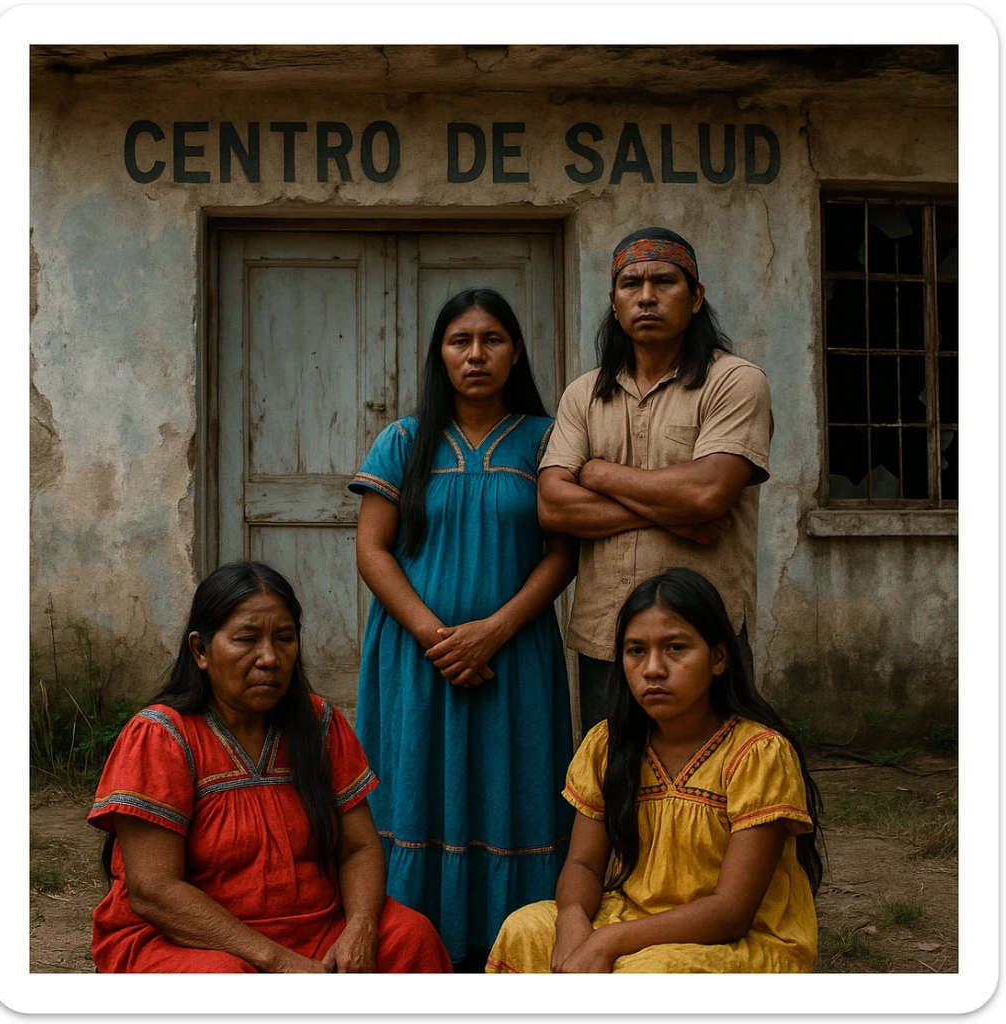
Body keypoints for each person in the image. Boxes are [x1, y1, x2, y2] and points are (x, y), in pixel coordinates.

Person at [349, 288, 577, 969]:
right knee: (415, 781)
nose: (476, 354)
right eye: (459, 340)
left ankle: (509, 948)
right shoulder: (403, 441)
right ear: (439, 354)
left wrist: (494, 631)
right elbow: (372, 549)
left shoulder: (546, 441)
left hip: (515, 653)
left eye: (493, 339)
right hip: (415, 657)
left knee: (514, 782)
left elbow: (563, 553)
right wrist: (435, 635)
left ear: (515, 352)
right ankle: (409, 944)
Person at [87, 561, 452, 973]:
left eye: (285, 639)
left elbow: (359, 847)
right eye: (246, 639)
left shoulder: (320, 724)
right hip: (192, 939)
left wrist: (361, 928)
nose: (270, 658)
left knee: (411, 936)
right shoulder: (161, 737)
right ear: (200, 651)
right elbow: (154, 891)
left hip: (316, 927)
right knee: (227, 982)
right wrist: (280, 964)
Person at [486, 567, 822, 974]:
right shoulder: (608, 745)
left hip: (741, 939)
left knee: (649, 975)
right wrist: (571, 916)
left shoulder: (758, 754)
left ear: (718, 658)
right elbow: (584, 865)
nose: (653, 669)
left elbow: (731, 911)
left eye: (676, 648)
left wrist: (609, 940)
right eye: (635, 651)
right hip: (631, 915)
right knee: (525, 930)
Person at [538, 226, 773, 736]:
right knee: (612, 781)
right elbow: (554, 507)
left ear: (695, 297)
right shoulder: (583, 395)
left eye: (664, 282)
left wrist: (597, 474)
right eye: (631, 284)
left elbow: (707, 493)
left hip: (701, 639)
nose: (646, 296)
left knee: (711, 782)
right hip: (608, 636)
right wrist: (674, 512)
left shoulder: (734, 381)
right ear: (614, 302)